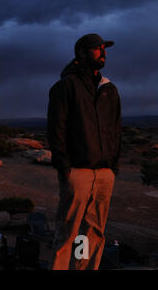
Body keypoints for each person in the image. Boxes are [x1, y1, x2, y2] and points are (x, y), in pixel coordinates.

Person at [47, 33, 122, 270]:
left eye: (104, 49)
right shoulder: (66, 86)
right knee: (68, 232)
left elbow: (116, 129)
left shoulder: (109, 89)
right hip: (77, 172)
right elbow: (56, 129)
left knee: (94, 233)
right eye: (98, 49)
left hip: (104, 173)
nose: (104, 53)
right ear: (82, 53)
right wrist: (65, 168)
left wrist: (113, 167)